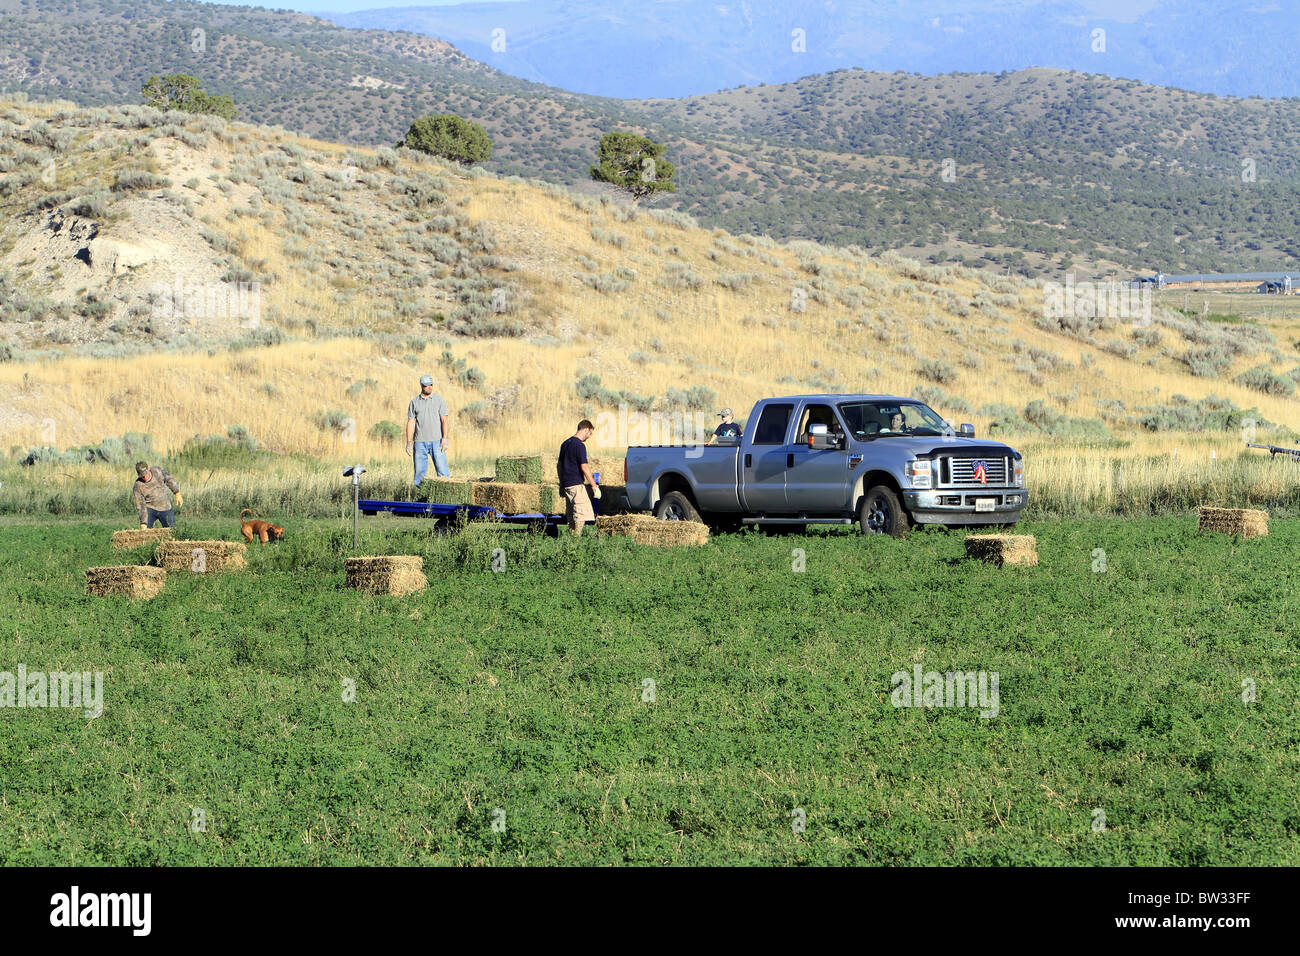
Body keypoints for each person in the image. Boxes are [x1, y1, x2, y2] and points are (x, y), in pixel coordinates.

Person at [406, 374, 450, 487]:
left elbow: (444, 420)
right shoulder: (414, 402)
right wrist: (409, 442)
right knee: (419, 474)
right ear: (421, 385)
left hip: (437, 441)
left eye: (431, 385)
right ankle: (421, 498)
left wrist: (445, 439)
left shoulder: (439, 400)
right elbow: (411, 422)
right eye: (426, 385)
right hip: (420, 443)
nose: (429, 387)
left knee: (442, 471)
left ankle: (444, 495)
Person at [557, 420, 600, 536]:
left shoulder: (565, 443)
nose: (589, 436)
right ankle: (576, 539)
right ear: (586, 429)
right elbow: (584, 467)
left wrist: (561, 483)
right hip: (576, 484)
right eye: (590, 433)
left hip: (566, 484)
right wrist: (594, 486)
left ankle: (571, 537)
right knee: (582, 513)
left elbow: (559, 465)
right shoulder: (579, 445)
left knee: (571, 513)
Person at [133, 461, 182, 529]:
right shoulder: (138, 485)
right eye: (142, 476)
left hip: (165, 506)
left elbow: (169, 479)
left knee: (172, 531)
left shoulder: (157, 471)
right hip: (149, 508)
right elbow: (141, 505)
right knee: (146, 532)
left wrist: (177, 493)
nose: (145, 478)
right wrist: (143, 522)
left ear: (148, 468)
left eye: (145, 474)